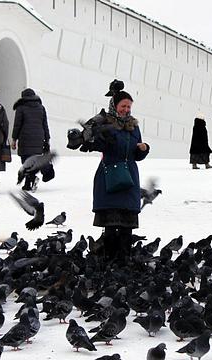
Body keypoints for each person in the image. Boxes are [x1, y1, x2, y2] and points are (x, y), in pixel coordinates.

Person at [80, 86, 150, 260]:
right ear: (115, 105)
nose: (126, 110)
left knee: (127, 227)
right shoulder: (105, 123)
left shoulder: (134, 127)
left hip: (129, 178)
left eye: (128, 107)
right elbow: (97, 144)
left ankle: (124, 260)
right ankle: (109, 260)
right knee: (110, 226)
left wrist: (143, 149)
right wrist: (100, 140)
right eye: (123, 106)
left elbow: (136, 153)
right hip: (109, 175)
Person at [11, 88, 50, 191]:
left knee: (26, 162)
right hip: (38, 139)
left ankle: (32, 179)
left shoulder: (21, 108)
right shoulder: (41, 108)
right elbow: (45, 125)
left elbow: (17, 125)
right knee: (34, 161)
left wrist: (14, 139)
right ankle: (28, 184)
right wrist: (47, 139)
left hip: (25, 139)